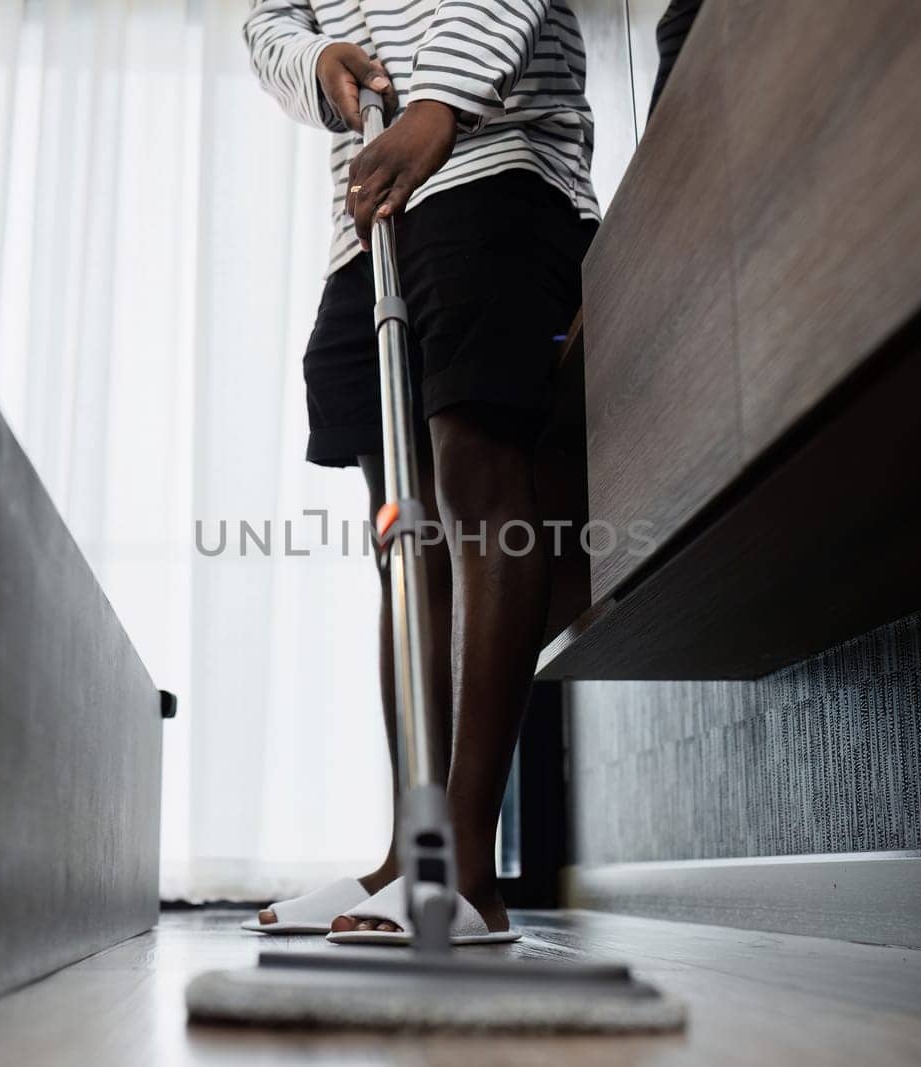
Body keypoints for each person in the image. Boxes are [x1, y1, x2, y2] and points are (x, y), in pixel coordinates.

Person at [241, 0, 598, 940]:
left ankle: (465, 871)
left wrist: (438, 103)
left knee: (475, 487)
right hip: (369, 219)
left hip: (497, 166)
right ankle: (414, 853)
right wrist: (318, 60)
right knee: (404, 537)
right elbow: (268, 22)